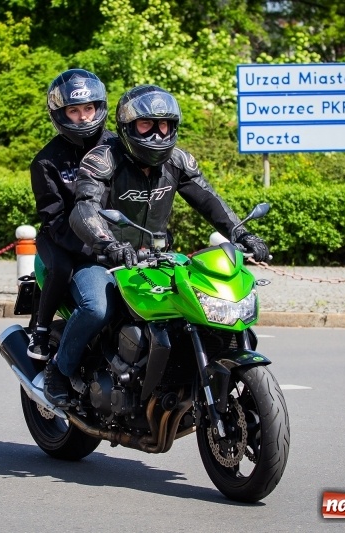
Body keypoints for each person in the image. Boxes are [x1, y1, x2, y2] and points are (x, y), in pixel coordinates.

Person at [43, 85, 270, 407]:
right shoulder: (102, 160)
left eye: (164, 125)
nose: (157, 134)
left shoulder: (178, 161)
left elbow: (210, 201)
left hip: (155, 256)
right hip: (98, 256)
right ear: (127, 127)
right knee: (97, 307)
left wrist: (242, 234)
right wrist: (106, 242)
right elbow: (85, 208)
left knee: (201, 297)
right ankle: (59, 371)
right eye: (147, 125)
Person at [28, 69, 114, 363]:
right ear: (60, 113)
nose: (84, 117)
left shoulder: (120, 148)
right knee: (62, 268)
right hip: (63, 239)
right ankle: (41, 331)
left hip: (114, 241)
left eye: (88, 108)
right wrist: (94, 245)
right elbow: (54, 218)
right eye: (74, 110)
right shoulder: (46, 161)